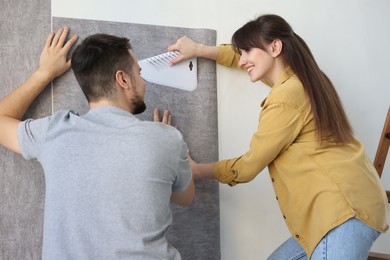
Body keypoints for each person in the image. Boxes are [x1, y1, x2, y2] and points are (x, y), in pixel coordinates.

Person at [168, 14, 389, 259]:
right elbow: (244, 59)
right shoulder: (303, 80)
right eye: (240, 53)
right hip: (347, 207)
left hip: (342, 213)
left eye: (247, 52)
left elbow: (248, 166)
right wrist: (198, 49)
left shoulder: (287, 96)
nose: (242, 61)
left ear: (275, 47)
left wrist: (197, 170)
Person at [0, 27, 195, 260]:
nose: (144, 82)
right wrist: (172, 153)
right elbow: (186, 197)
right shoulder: (168, 139)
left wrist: (44, 73)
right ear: (123, 79)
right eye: (139, 73)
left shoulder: (54, 132)